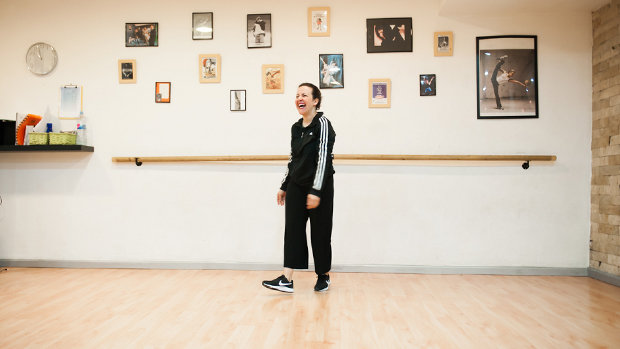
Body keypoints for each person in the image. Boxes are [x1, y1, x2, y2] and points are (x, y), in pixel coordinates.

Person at [262, 83, 336, 293]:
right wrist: (284, 185)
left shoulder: (322, 124)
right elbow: (293, 159)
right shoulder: (296, 127)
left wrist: (316, 191)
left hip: (318, 186)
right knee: (293, 230)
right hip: (296, 185)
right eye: (296, 95)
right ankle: (287, 278)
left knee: (320, 232)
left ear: (315, 101)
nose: (299, 98)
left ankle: (323, 275)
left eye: (304, 95)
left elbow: (323, 159)